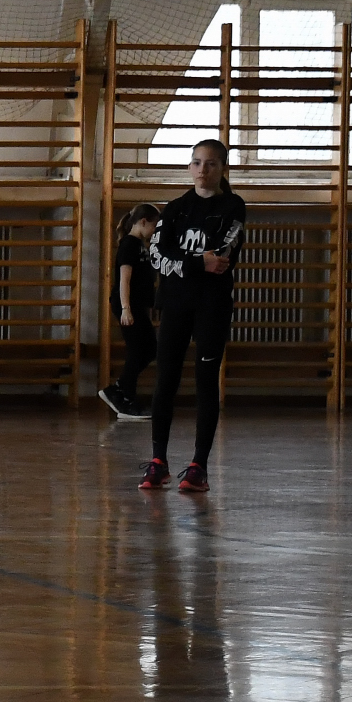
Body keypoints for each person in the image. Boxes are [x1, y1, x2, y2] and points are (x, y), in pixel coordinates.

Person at [140, 139, 245, 493]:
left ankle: (198, 466)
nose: (203, 170)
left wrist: (184, 262)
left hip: (212, 307)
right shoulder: (174, 209)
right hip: (175, 305)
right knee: (165, 380)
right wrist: (199, 262)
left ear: (222, 168)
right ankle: (158, 461)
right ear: (189, 167)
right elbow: (158, 256)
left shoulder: (233, 206)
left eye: (211, 163)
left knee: (205, 382)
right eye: (197, 163)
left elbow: (223, 255)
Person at [100, 203, 161, 422]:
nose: (155, 231)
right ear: (143, 221)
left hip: (137, 306)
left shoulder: (140, 245)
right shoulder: (128, 245)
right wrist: (126, 308)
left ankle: (119, 390)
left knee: (149, 349)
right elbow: (124, 280)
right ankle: (125, 398)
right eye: (154, 226)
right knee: (137, 350)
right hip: (128, 305)